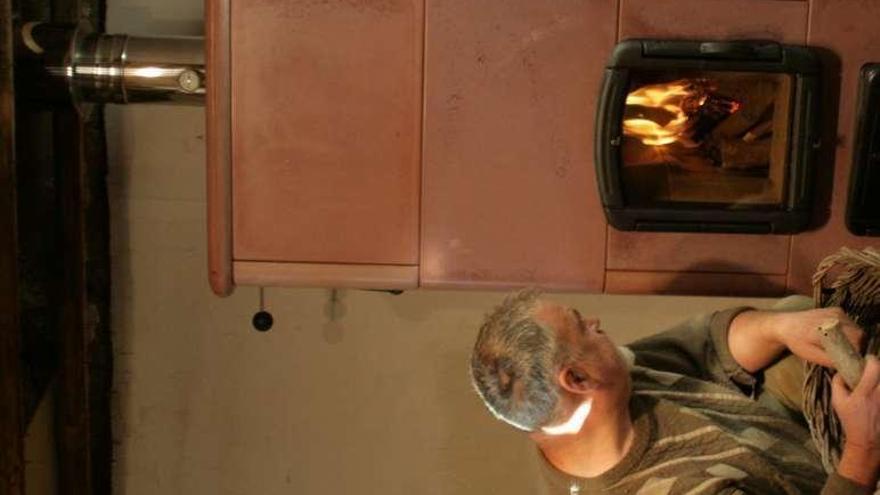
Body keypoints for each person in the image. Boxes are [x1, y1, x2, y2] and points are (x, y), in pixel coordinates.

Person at [469, 290, 879, 494]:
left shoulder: (600, 392)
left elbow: (706, 345)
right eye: (582, 325)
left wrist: (780, 328)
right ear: (576, 380)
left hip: (785, 440)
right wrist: (863, 449)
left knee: (791, 313)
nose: (595, 323)